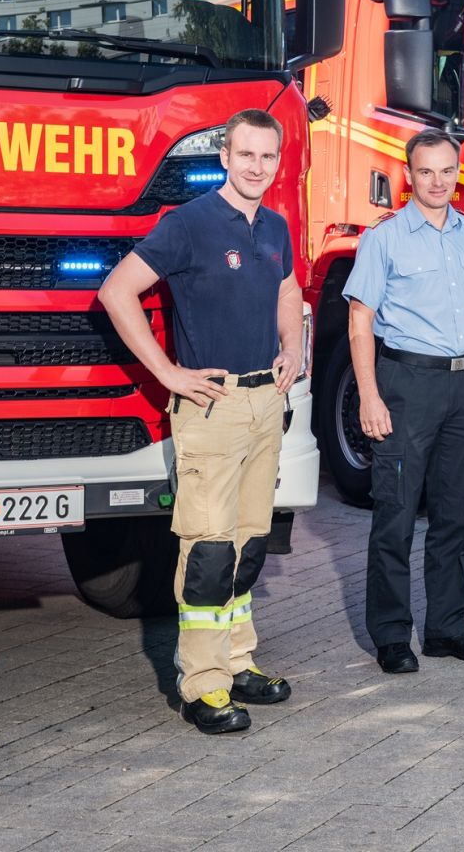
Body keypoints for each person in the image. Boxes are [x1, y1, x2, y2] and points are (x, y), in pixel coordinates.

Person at [99, 109, 302, 735]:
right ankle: (202, 685)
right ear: (225, 157)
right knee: (209, 552)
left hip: (264, 403)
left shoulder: (275, 226)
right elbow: (115, 291)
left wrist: (294, 346)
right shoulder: (187, 223)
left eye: (267, 156)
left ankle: (237, 663)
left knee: (248, 544)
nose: (257, 167)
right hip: (211, 408)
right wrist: (168, 372)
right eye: (246, 155)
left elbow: (288, 290)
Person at [342, 129, 464, 674]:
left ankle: (446, 629)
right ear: (408, 175)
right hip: (405, 386)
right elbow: (360, 320)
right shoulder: (384, 239)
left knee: (456, 516)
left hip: (461, 387)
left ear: (458, 174)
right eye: (426, 171)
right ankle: (392, 636)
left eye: (447, 170)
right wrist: (369, 396)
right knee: (395, 514)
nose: (438, 181)